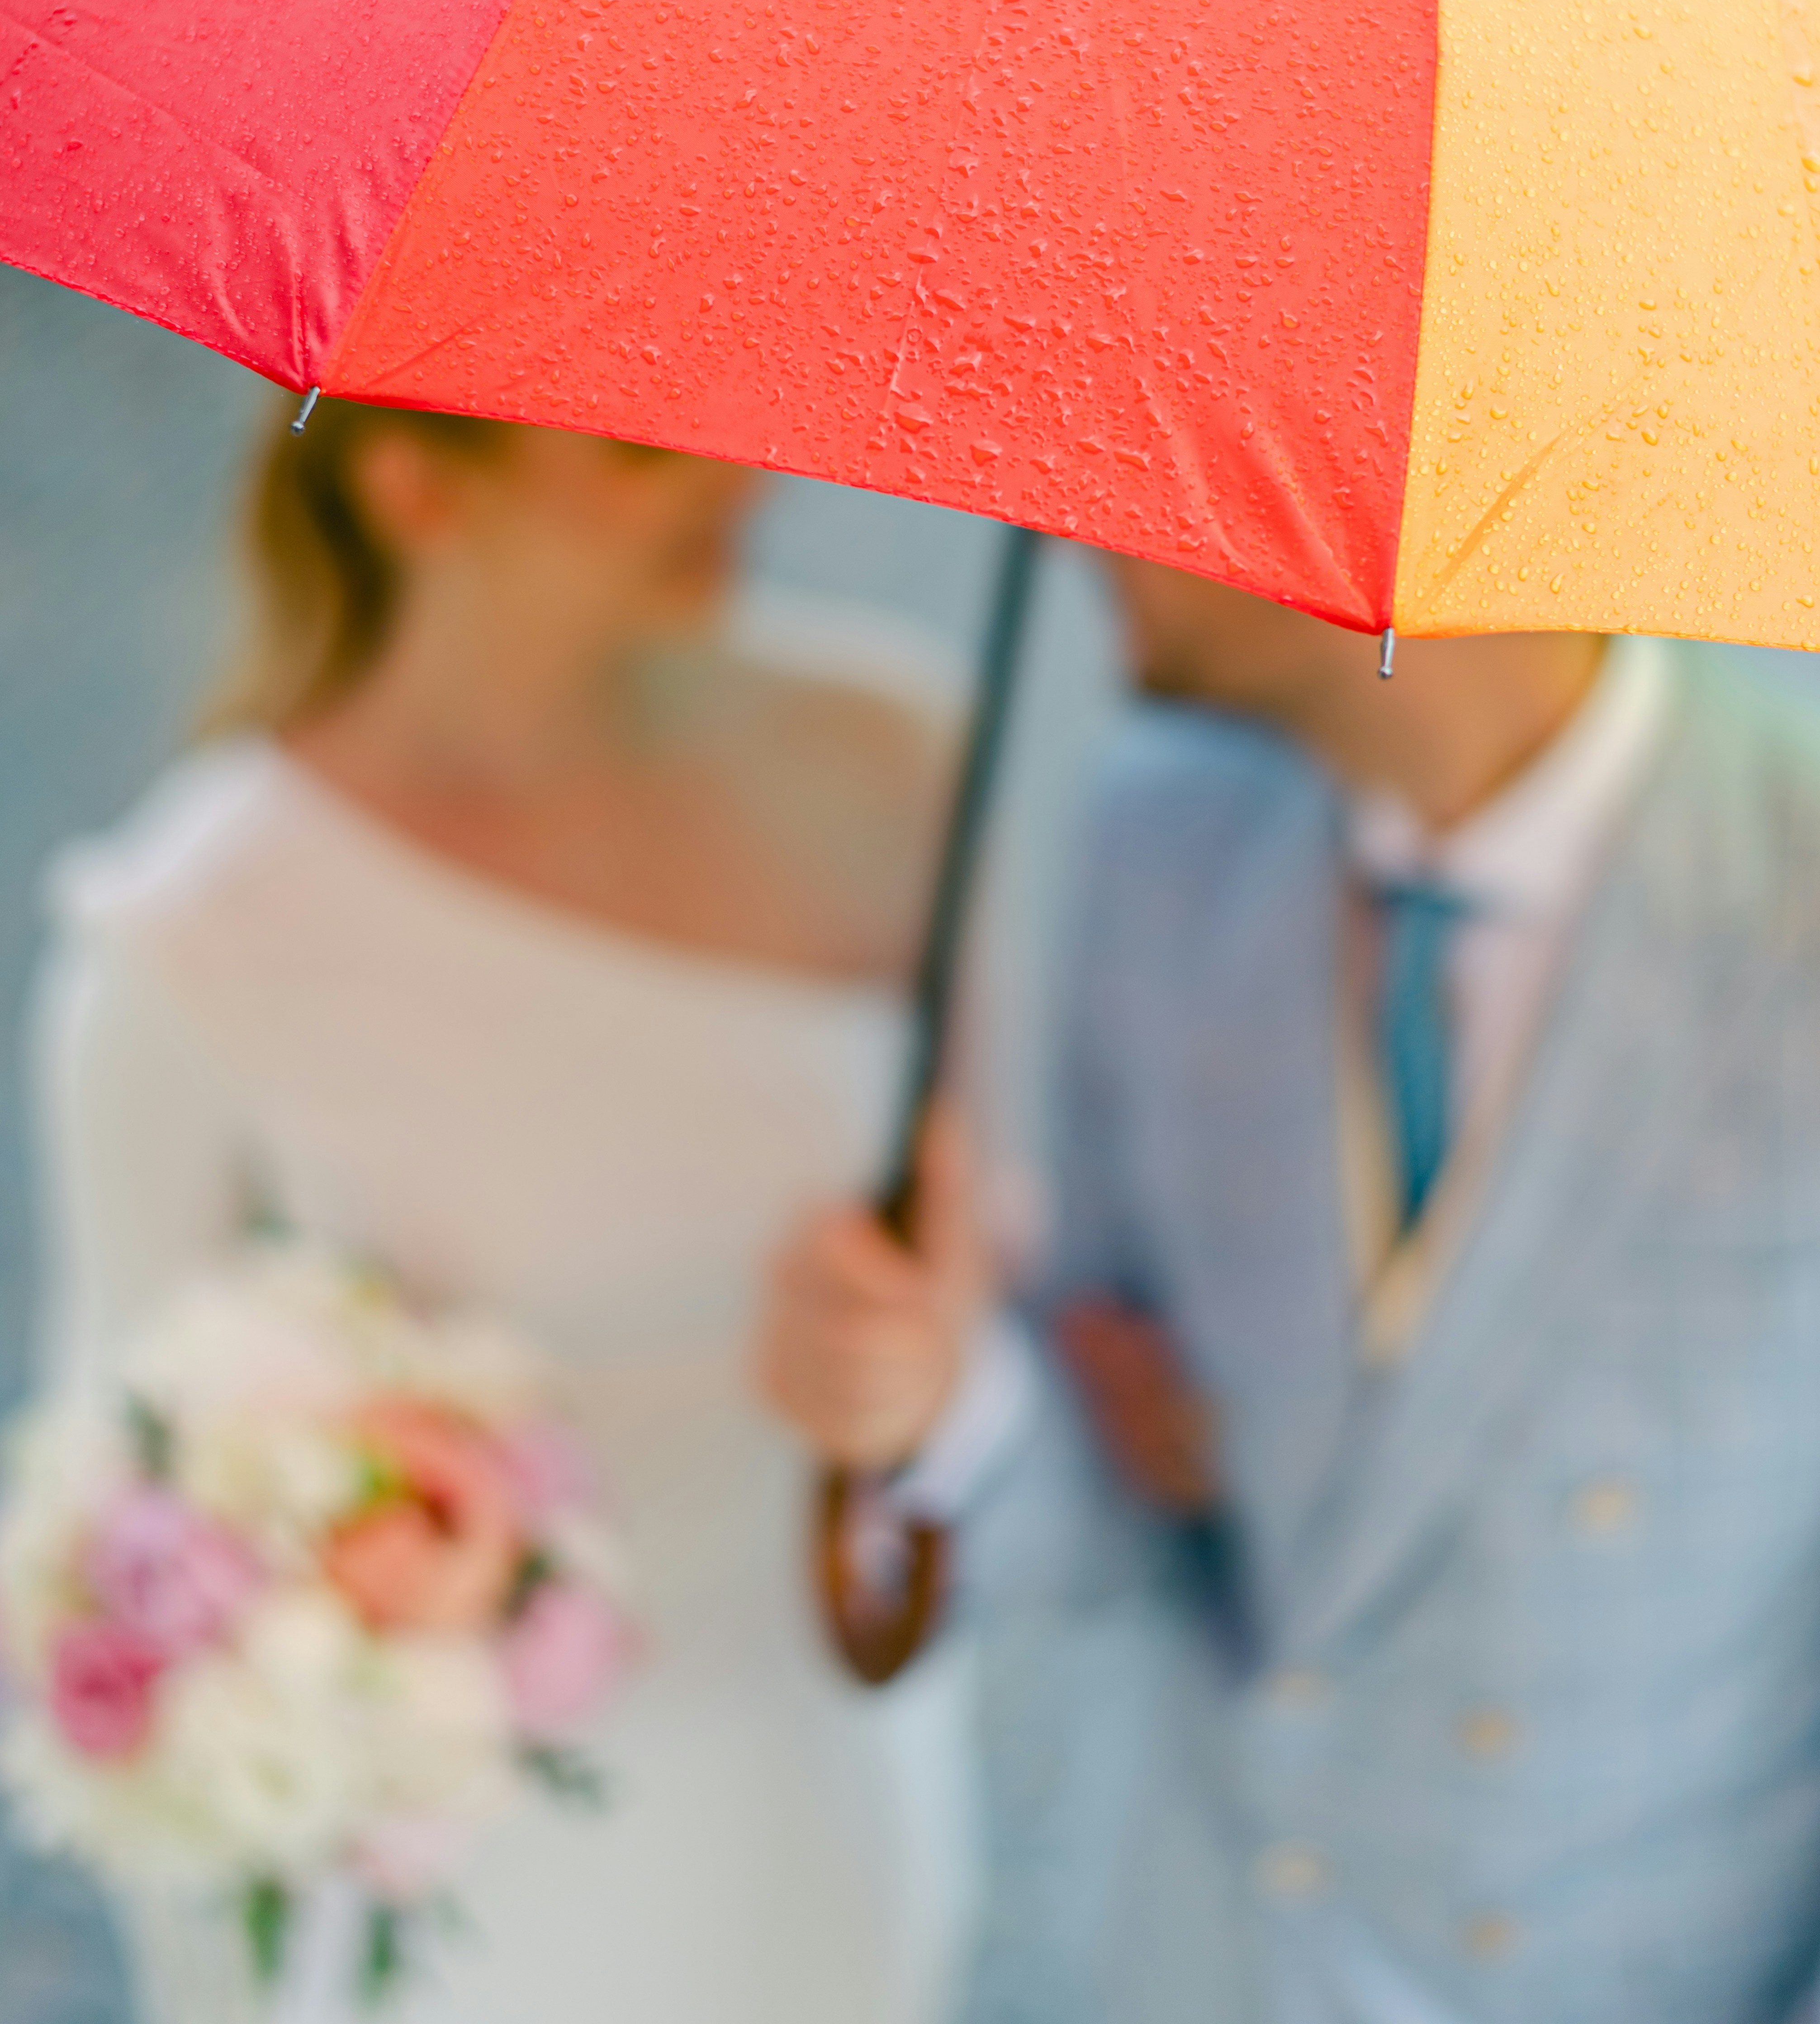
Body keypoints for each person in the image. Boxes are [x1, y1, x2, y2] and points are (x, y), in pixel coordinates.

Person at [760, 561, 1820, 2023]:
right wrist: (952, 1398)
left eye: (1213, 443)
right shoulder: (1162, 838)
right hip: (1186, 1968)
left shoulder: (1790, 886)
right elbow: (1143, 1508)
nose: (1099, 531)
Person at [31, 399, 979, 2024]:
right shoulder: (189, 947)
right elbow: (107, 1546)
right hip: (457, 1905)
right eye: (641, 448)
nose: (740, 469)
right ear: (414, 488)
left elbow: (1032, 1275)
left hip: (825, 1805)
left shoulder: (891, 759)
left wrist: (944, 1374)